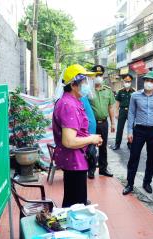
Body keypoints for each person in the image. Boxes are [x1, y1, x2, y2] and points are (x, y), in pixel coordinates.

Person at [52, 64, 103, 207]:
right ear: (74, 85)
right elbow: (69, 141)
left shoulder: (73, 101)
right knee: (75, 206)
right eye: (84, 82)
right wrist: (92, 138)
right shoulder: (69, 105)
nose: (87, 85)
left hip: (77, 159)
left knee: (74, 200)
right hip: (74, 160)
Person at [122, 70, 153, 195]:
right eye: (147, 80)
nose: (149, 83)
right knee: (133, 157)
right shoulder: (135, 96)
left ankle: (147, 182)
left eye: (152, 81)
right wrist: (129, 131)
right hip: (139, 130)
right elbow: (131, 113)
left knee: (152, 158)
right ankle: (129, 184)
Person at [89, 65, 116, 178]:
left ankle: (103, 169)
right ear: (92, 76)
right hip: (91, 123)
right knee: (90, 147)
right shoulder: (88, 91)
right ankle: (91, 170)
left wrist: (113, 123)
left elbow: (110, 107)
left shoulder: (108, 90)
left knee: (103, 147)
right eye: (96, 75)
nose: (98, 77)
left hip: (104, 123)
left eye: (100, 75)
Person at [112, 74, 135, 150]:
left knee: (131, 128)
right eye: (126, 81)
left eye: (128, 81)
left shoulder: (134, 92)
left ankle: (130, 143)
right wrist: (116, 112)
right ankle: (117, 144)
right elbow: (117, 103)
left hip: (131, 112)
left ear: (131, 82)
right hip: (122, 111)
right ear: (123, 81)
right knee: (119, 128)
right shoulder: (120, 91)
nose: (127, 83)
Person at [80, 95, 98, 180]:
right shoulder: (71, 100)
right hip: (80, 131)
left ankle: (91, 170)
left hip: (90, 129)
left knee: (91, 151)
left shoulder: (83, 99)